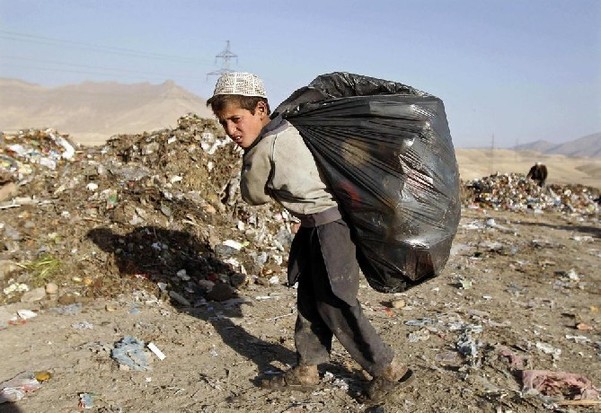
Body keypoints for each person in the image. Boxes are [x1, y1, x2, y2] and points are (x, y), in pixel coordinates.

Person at [206, 72, 412, 403]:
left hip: (329, 229)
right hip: (324, 226)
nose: (231, 130)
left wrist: (251, 166)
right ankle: (307, 367)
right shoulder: (296, 127)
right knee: (310, 297)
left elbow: (253, 196)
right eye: (224, 123)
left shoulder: (263, 149)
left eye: (235, 119)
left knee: (336, 303)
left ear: (261, 110)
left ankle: (389, 369)